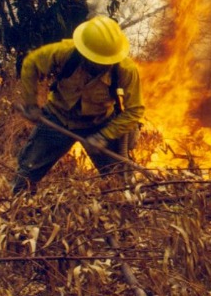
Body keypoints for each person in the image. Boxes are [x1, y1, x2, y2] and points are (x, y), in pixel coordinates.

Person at [12, 15, 145, 194]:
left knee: (120, 183)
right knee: (26, 172)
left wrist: (104, 135)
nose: (101, 65)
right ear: (84, 52)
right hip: (58, 118)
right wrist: (31, 105)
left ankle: (124, 213)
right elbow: (31, 63)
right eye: (96, 60)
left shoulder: (126, 70)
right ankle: (18, 210)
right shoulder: (64, 52)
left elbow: (135, 110)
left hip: (99, 123)